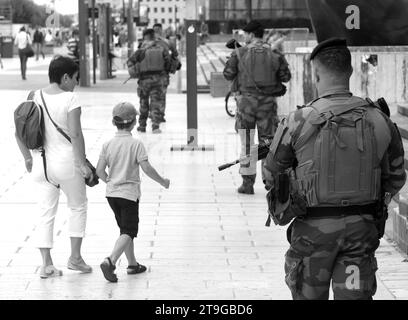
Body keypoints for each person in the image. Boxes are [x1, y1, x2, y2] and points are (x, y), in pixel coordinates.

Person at [263, 38, 407, 300]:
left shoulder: (298, 120)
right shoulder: (380, 119)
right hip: (361, 231)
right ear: (350, 71)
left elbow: (271, 175)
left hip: (311, 234)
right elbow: (396, 178)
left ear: (315, 73)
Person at [15, 56, 93, 278]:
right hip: (67, 164)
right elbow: (75, 134)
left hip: (41, 166)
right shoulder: (71, 99)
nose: (76, 83)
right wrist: (82, 163)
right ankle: (75, 258)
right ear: (65, 77)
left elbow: (18, 130)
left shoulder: (32, 96)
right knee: (78, 207)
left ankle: (46, 264)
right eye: (75, 78)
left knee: (45, 213)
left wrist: (27, 158)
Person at [96, 102, 170, 282]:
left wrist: (111, 182)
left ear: (115, 123)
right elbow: (146, 168)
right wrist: (163, 181)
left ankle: (132, 264)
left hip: (112, 195)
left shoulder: (107, 145)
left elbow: (99, 171)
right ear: (133, 122)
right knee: (129, 230)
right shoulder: (136, 144)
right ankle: (110, 261)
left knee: (124, 230)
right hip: (128, 195)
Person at [223, 20, 292, 194]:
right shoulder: (274, 53)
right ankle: (270, 183)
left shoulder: (240, 52)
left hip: (246, 105)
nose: (244, 37)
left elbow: (228, 74)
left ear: (252, 35)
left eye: (245, 34)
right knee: (268, 143)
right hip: (267, 106)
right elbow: (285, 76)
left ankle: (247, 183)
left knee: (246, 142)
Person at [128, 28, 171, 134]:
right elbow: (168, 63)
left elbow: (130, 61)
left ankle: (142, 126)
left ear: (144, 36)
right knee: (156, 103)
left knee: (143, 104)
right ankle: (155, 126)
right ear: (153, 36)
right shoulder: (162, 48)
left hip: (144, 81)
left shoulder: (141, 49)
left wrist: (135, 72)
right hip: (158, 80)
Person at [153, 23, 180, 124]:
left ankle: (153, 114)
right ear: (161, 30)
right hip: (163, 74)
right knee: (162, 95)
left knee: (152, 95)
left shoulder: (146, 43)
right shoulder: (167, 42)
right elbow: (175, 55)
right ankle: (160, 115)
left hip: (148, 75)